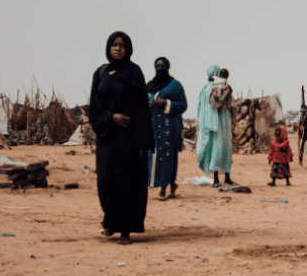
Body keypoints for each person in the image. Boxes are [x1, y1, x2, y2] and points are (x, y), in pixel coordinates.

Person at [88, 31, 153, 245]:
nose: (117, 48)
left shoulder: (134, 72)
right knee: (106, 181)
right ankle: (110, 222)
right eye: (114, 45)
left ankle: (125, 229)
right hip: (107, 137)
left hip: (128, 138)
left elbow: (142, 108)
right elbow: (95, 107)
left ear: (128, 49)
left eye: (122, 45)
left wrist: (142, 141)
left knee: (128, 182)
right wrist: (110, 117)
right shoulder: (101, 73)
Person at [146, 56, 187, 200]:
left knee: (168, 156)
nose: (160, 68)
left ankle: (164, 188)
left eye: (163, 66)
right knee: (154, 156)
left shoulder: (175, 85)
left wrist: (166, 103)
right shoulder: (149, 85)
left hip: (170, 127)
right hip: (153, 127)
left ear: (168, 67)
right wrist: (149, 105)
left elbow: (183, 105)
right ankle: (170, 184)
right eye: (157, 66)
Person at [196, 65, 234, 187]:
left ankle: (218, 179)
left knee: (217, 149)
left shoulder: (206, 88)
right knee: (224, 148)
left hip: (215, 120)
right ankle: (224, 178)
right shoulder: (224, 87)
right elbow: (229, 103)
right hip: (223, 119)